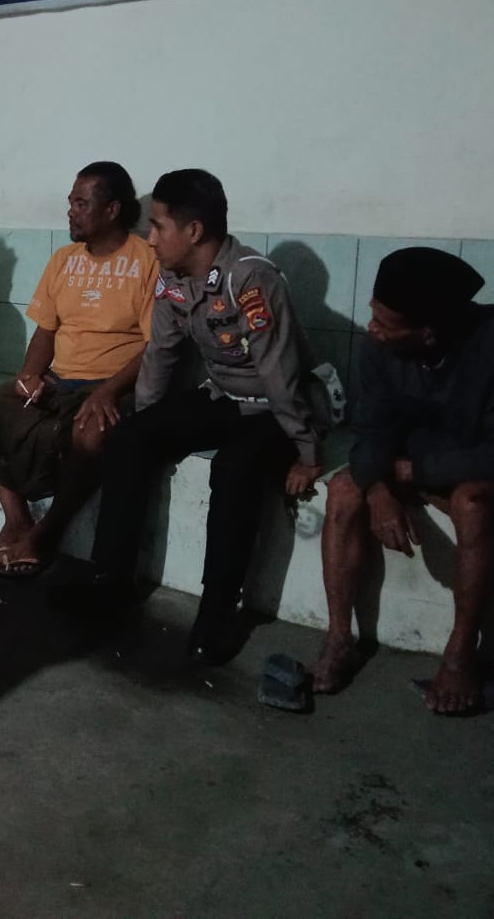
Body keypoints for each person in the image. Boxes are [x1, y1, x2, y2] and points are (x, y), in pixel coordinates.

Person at [89, 169, 326, 663]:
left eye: (158, 226)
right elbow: (160, 355)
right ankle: (110, 583)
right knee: (130, 436)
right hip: (223, 396)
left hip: (276, 409)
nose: (150, 239)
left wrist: (306, 453)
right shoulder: (173, 277)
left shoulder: (252, 279)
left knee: (235, 468)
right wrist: (150, 428)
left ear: (194, 231)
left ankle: (217, 613)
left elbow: (280, 375)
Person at [312, 247, 494, 714]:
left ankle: (460, 656)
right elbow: (370, 429)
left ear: (428, 332)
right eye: (373, 315)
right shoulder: (380, 347)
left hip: (483, 475)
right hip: (409, 463)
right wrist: (379, 491)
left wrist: (416, 471)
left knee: (472, 504)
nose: (373, 329)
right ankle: (339, 639)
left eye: (386, 323)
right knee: (343, 489)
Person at [0, 162, 158, 578]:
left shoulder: (147, 262)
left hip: (115, 385)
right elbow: (45, 331)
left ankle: (47, 533)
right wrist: (30, 375)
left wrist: (107, 392)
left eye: (81, 204)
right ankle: (17, 521)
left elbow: (155, 347)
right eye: (71, 203)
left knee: (91, 432)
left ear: (112, 210)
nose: (71, 211)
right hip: (59, 380)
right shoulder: (63, 260)